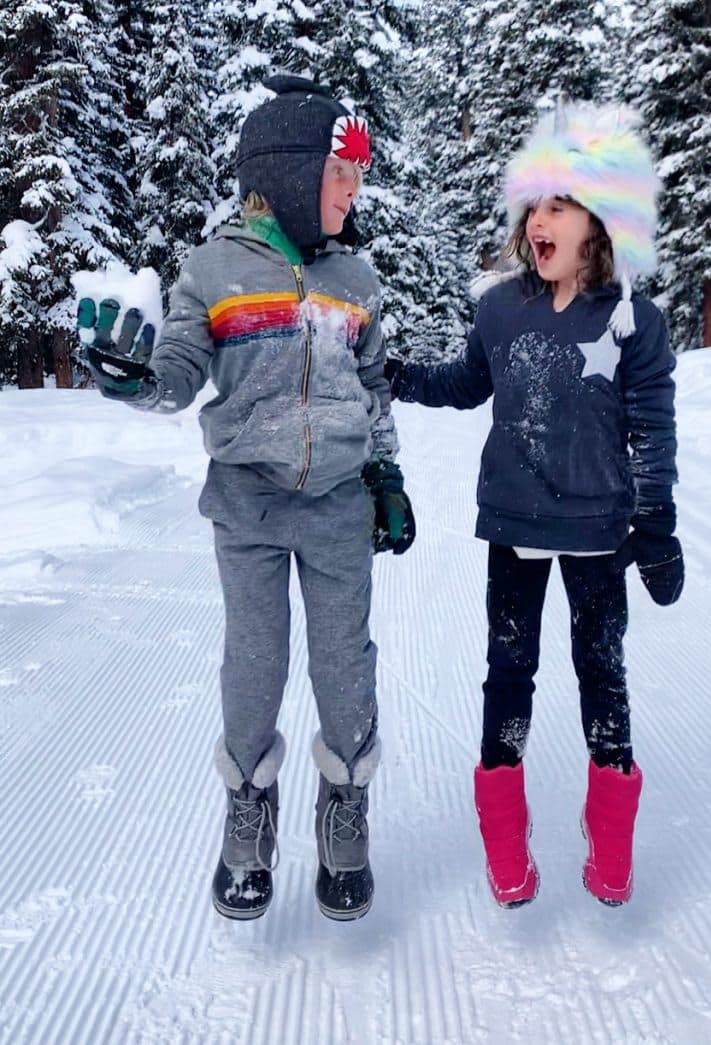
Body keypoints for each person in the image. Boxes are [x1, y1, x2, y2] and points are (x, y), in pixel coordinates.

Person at [76, 73, 415, 922]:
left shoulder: (356, 277)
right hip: (249, 506)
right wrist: (138, 380)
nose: (353, 193)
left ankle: (344, 803)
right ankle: (248, 811)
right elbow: (180, 371)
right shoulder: (216, 269)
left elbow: (374, 391)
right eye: (342, 176)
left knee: (344, 667)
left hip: (338, 503)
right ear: (295, 172)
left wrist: (387, 474)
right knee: (254, 665)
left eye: (357, 179)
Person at [386, 102, 683, 908]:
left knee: (602, 673)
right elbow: (466, 382)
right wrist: (402, 376)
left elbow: (653, 423)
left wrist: (656, 519)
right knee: (508, 672)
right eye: (534, 208)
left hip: (597, 531)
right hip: (515, 525)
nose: (539, 223)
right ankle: (506, 845)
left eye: (559, 206)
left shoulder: (633, 320)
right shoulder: (499, 307)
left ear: (601, 221)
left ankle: (610, 845)